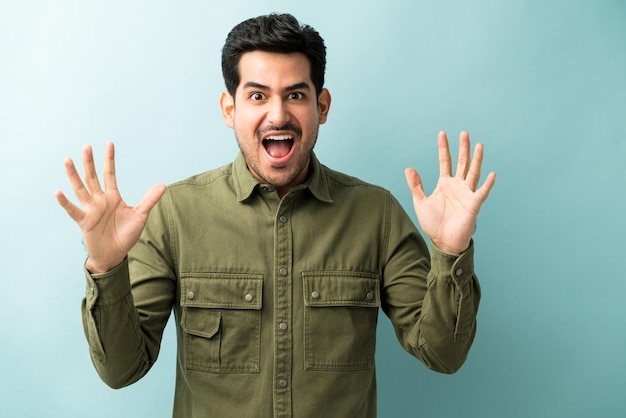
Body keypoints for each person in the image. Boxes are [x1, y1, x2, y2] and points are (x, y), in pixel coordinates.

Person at [55, 13, 496, 418]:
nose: (278, 114)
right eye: (258, 95)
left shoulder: (376, 214)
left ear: (321, 106)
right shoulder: (174, 215)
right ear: (231, 109)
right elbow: (121, 370)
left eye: (295, 95)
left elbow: (443, 355)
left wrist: (449, 250)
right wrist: (107, 268)